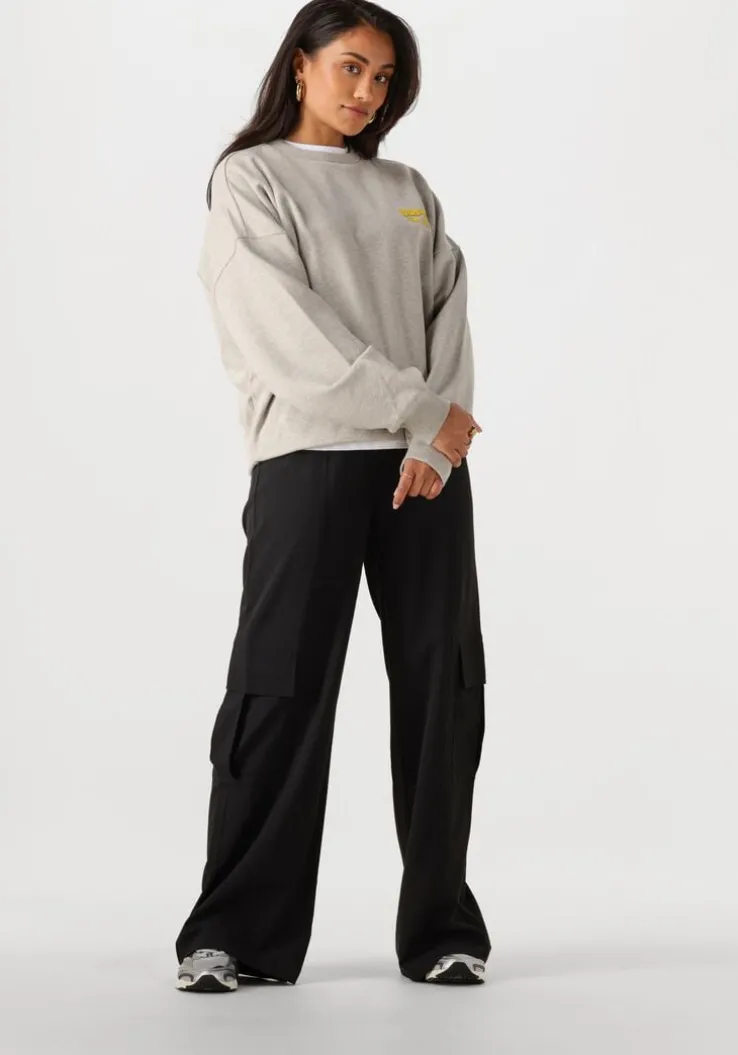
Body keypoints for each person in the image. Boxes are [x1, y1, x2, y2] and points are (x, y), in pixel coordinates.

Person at [175, 0, 490, 992]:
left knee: (444, 692)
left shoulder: (407, 190)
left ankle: (442, 928)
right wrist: (421, 410)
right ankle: (233, 933)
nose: (367, 91)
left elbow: (450, 317)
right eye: (351, 66)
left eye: (384, 77)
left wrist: (436, 441)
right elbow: (286, 332)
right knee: (278, 688)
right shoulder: (251, 178)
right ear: (300, 66)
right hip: (308, 460)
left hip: (425, 472)